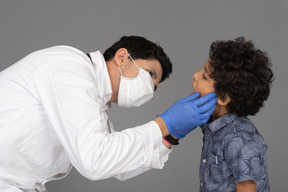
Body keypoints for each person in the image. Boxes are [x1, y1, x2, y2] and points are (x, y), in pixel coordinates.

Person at [0, 36, 217, 192]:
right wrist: (164, 123)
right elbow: (95, 161)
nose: (150, 88)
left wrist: (170, 136)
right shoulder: (70, 69)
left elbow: (118, 166)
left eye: (155, 86)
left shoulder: (95, 102)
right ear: (122, 56)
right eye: (150, 74)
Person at [192, 37, 273, 192]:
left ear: (223, 97)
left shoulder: (242, 139)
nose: (195, 75)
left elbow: (247, 188)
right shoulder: (213, 122)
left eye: (204, 76)